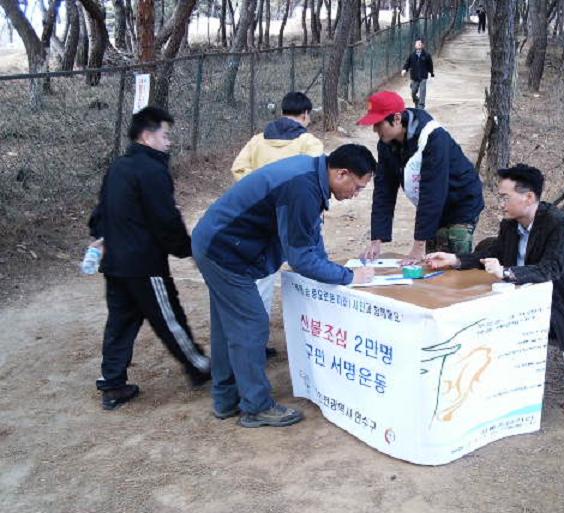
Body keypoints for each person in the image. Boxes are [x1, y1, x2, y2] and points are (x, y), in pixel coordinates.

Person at [192, 144, 377, 428]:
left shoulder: (310, 174)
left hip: (219, 242)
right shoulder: (302, 187)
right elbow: (301, 258)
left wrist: (328, 266)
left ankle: (226, 399)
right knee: (251, 324)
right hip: (224, 251)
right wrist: (349, 277)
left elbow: (310, 234)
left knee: (228, 326)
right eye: (359, 187)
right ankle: (256, 406)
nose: (356, 194)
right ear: (342, 174)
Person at [88, 106, 211, 411]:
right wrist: (188, 249)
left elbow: (99, 213)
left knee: (120, 322)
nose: (169, 142)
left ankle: (113, 384)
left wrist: (101, 238)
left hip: (116, 264)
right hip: (143, 264)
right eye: (165, 135)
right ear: (147, 136)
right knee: (169, 319)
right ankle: (198, 366)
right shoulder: (152, 171)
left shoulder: (118, 166)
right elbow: (166, 219)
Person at [424, 164, 564, 352]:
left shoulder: (557, 224)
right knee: (474, 312)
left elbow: (550, 269)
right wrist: (455, 260)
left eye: (505, 198)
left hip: (561, 308)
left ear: (529, 197)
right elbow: (494, 254)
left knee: (491, 323)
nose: (501, 204)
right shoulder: (510, 224)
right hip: (521, 298)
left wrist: (506, 271)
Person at [230, 91, 325, 358]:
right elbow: (315, 180)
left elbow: (238, 169)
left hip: (262, 220)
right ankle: (313, 332)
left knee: (261, 282)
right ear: (306, 114)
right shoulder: (309, 142)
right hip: (297, 219)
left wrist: (261, 195)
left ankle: (255, 344)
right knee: (309, 271)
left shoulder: (258, 140)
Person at [357, 91, 484, 264]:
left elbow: (432, 193)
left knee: (452, 256)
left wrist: (417, 247)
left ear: (395, 119)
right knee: (432, 259)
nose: (374, 130)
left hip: (461, 201)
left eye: (378, 124)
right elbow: (384, 190)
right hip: (436, 203)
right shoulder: (386, 144)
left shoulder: (434, 138)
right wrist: (376, 239)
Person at [401, 38, 434, 109]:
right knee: (413, 92)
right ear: (415, 46)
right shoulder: (412, 55)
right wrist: (404, 69)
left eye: (420, 43)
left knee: (422, 90)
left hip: (423, 76)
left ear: (423, 45)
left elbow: (430, 65)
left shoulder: (427, 55)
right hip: (414, 77)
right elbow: (407, 63)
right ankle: (416, 100)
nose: (419, 44)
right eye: (417, 43)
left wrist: (431, 73)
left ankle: (421, 105)